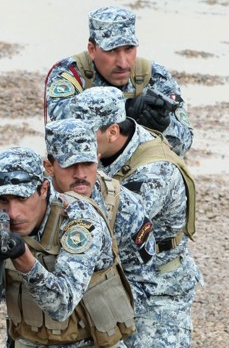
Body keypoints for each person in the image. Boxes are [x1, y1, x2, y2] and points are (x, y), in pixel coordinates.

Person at [68, 86, 205, 348]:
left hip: (158, 288)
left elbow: (107, 227)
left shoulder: (154, 172)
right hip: (116, 280)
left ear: (113, 132)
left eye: (86, 136)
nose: (78, 145)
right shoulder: (103, 150)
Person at [0, 146, 135, 348]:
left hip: (89, 342)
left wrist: (24, 258)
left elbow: (62, 307)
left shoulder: (78, 218)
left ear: (44, 189)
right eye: (3, 200)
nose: (12, 213)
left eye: (21, 198)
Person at [43, 118, 157, 347]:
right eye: (69, 165)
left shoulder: (122, 205)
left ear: (97, 158)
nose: (80, 174)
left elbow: (145, 275)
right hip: (44, 331)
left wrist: (110, 316)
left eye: (87, 163)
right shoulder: (31, 203)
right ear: (49, 166)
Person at [44, 5, 194, 157]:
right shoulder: (70, 75)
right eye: (111, 51)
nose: (123, 63)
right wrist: (126, 111)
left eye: (129, 49)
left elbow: (184, 145)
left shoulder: (155, 76)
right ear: (92, 50)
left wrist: (164, 125)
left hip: (140, 167)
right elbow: (65, 133)